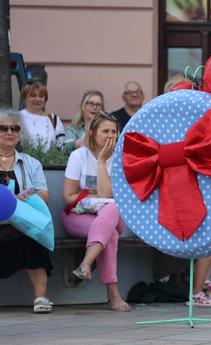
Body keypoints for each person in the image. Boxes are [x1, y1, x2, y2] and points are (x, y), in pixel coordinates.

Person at [62, 112, 131, 311]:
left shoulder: (120, 159)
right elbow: (68, 197)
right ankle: (114, 295)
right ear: (92, 133)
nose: (111, 136)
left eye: (114, 132)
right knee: (110, 236)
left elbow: (108, 195)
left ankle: (86, 261)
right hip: (77, 215)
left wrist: (102, 162)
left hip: (112, 215)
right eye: (105, 131)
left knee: (111, 208)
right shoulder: (78, 156)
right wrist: (90, 196)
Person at [0, 109, 53, 313]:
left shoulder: (31, 163)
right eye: (3, 128)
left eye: (14, 128)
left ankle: (41, 297)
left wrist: (22, 200)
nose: (9, 132)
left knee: (34, 237)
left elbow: (44, 194)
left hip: (20, 222)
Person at [18, 80, 65, 151]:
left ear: (45, 99)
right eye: (33, 96)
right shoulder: (16, 118)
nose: (37, 99)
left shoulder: (54, 119)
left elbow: (61, 146)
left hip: (48, 162)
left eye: (41, 96)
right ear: (25, 98)